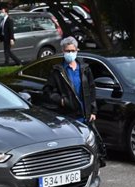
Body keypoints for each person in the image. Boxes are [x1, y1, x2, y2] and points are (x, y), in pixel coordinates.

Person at [43, 36, 105, 166]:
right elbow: (48, 91)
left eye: (72, 50)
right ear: (63, 51)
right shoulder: (58, 71)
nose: (70, 53)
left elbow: (91, 90)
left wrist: (93, 110)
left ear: (77, 50)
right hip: (68, 114)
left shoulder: (84, 69)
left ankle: (90, 166)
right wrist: (61, 101)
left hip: (85, 114)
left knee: (88, 143)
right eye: (67, 51)